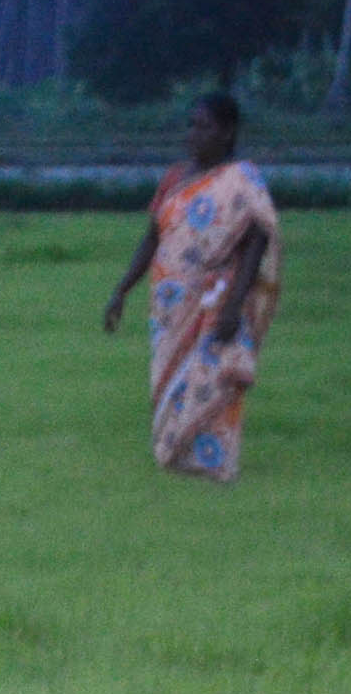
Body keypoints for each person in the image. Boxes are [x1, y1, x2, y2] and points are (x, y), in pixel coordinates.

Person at [104, 92, 282, 483]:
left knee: (212, 373)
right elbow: (151, 238)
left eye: (205, 127)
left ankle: (212, 459)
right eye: (192, 125)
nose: (194, 134)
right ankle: (175, 451)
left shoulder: (240, 181)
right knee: (169, 374)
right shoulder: (174, 178)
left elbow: (256, 241)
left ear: (228, 131)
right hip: (169, 302)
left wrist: (235, 303)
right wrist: (122, 289)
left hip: (214, 297)